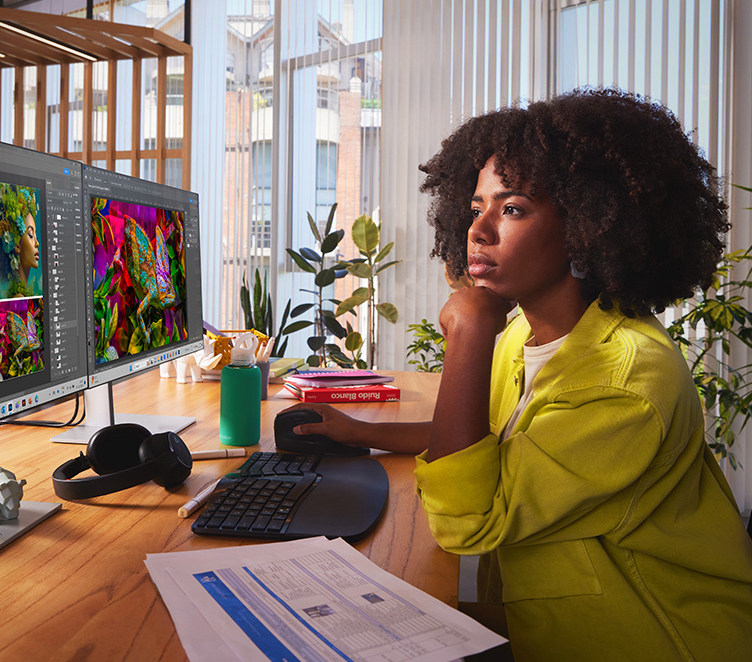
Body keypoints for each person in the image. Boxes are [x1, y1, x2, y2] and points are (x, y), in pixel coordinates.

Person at [286, 89, 752, 661]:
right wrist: (360, 431)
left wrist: (468, 332)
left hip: (652, 638)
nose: (478, 231)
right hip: (546, 623)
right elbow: (494, 441)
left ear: (586, 227)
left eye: (512, 208)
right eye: (476, 207)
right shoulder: (526, 335)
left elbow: (467, 521)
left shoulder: (625, 380)